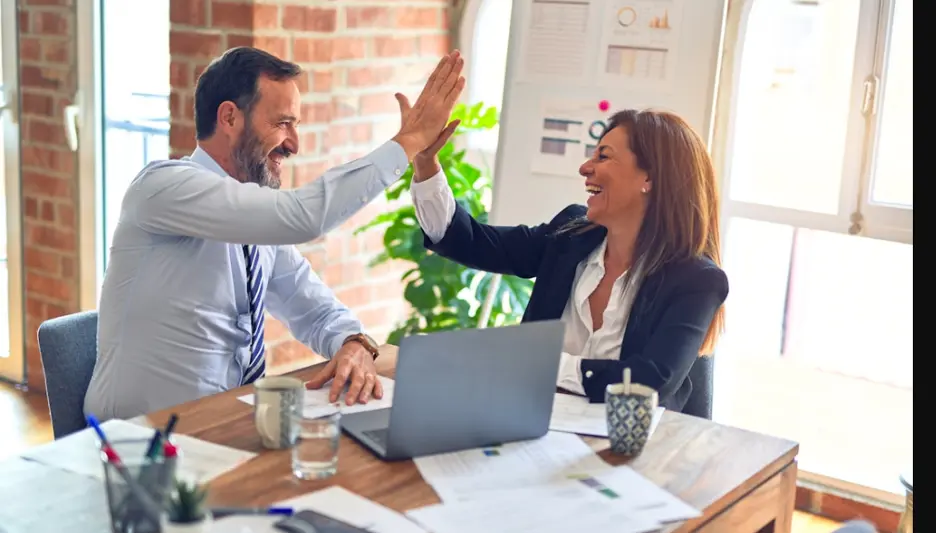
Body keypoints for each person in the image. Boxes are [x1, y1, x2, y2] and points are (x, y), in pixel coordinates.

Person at [84, 47, 465, 420]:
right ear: (230, 118)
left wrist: (353, 342)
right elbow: (305, 217)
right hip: (138, 443)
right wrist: (410, 141)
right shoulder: (164, 187)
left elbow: (312, 307)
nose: (294, 144)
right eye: (283, 123)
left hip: (225, 427)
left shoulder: (255, 222)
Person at [409, 108, 728, 412]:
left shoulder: (696, 280)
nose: (585, 168)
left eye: (603, 156)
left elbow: (649, 382)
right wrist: (426, 165)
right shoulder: (570, 236)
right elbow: (472, 242)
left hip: (633, 452)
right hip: (534, 429)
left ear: (650, 179)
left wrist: (540, 363)